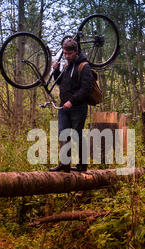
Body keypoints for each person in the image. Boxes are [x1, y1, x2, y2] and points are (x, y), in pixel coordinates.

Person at [49, 38, 93, 172]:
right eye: (65, 53)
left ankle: (82, 165)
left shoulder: (84, 66)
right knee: (63, 134)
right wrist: (56, 70)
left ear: (76, 52)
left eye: (69, 54)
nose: (66, 56)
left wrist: (72, 101)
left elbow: (86, 89)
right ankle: (64, 164)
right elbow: (60, 82)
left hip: (78, 108)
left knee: (76, 135)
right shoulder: (67, 66)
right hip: (64, 107)